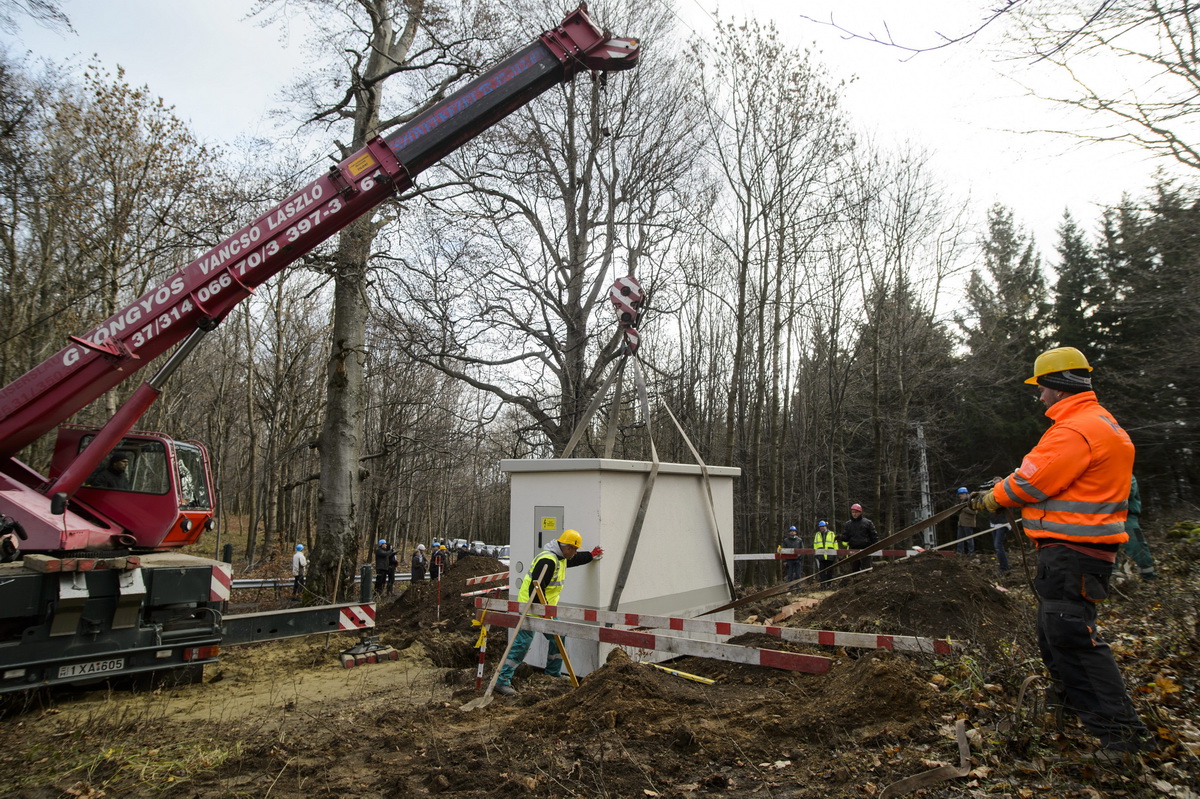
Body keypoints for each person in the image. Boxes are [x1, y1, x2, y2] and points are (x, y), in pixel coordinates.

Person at [970, 346, 1151, 758]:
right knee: (1054, 636)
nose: (1039, 398)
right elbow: (1050, 478)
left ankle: (1121, 735)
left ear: (1056, 385)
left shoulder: (1074, 430)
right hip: (1076, 553)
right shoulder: (1101, 423)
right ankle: (1070, 707)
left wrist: (992, 499)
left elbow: (1029, 485)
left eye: (1042, 389)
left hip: (1073, 553)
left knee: (1071, 637)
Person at [495, 529, 604, 697]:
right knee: (522, 643)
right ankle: (502, 679)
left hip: (546, 608)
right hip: (531, 606)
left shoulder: (560, 558)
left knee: (557, 637)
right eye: (573, 549)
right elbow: (535, 588)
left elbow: (574, 561)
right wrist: (543, 611)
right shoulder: (548, 560)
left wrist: (590, 555)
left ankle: (552, 673)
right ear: (566, 547)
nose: (575, 553)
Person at [1121, 475, 1157, 580]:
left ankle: (1148, 575)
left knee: (1138, 544)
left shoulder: (1128, 475)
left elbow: (1128, 492)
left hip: (1128, 516)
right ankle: (1113, 575)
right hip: (1107, 517)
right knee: (1108, 546)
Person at [839, 503, 877, 574]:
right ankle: (856, 583)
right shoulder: (848, 524)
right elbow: (845, 537)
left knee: (866, 570)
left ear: (860, 512)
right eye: (853, 512)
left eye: (856, 512)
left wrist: (875, 547)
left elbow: (874, 536)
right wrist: (840, 537)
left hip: (866, 549)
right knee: (854, 570)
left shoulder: (868, 523)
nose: (854, 514)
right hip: (853, 549)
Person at [988, 476, 1011, 573]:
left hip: (1003, 523)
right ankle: (1004, 566)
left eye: (998, 483)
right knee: (997, 546)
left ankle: (1004, 567)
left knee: (998, 545)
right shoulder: (992, 494)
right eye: (995, 483)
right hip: (994, 523)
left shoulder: (1006, 493)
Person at [955, 487, 977, 554]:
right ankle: (960, 552)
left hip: (968, 523)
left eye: (961, 495)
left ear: (965, 494)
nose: (960, 496)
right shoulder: (962, 501)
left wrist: (964, 508)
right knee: (960, 539)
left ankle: (971, 552)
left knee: (969, 539)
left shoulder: (972, 501)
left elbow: (975, 512)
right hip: (961, 523)